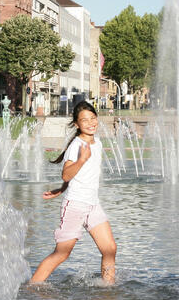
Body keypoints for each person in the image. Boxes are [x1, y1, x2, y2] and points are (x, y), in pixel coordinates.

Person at [30, 100, 117, 284]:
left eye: (93, 118)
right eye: (84, 120)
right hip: (75, 206)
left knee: (110, 249)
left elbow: (79, 176)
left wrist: (61, 189)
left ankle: (108, 289)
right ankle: (32, 286)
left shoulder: (98, 143)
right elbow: (66, 173)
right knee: (62, 253)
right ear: (77, 124)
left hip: (92, 205)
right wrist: (81, 160)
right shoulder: (76, 146)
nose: (90, 123)